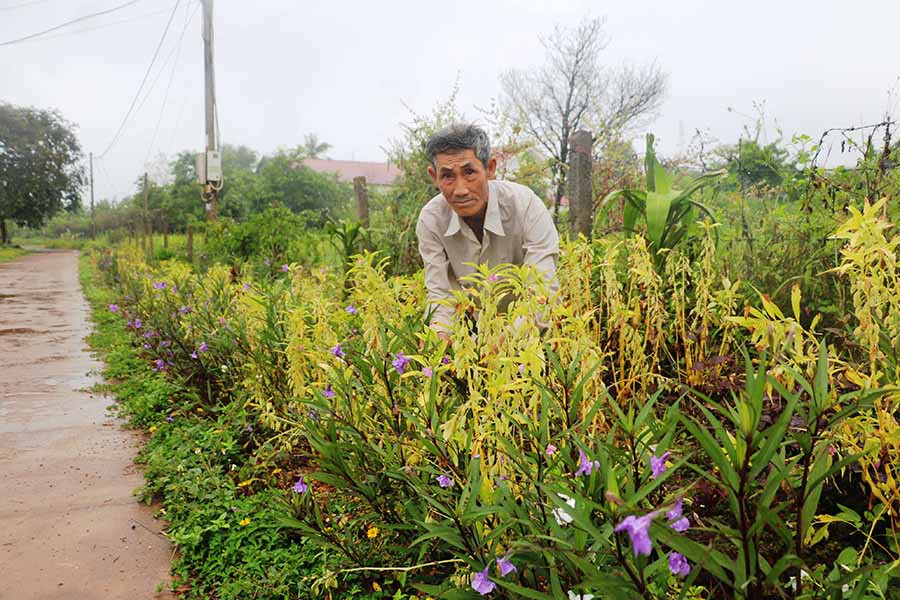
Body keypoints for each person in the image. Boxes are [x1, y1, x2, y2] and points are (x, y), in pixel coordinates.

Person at [415, 123, 559, 340]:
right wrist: (440, 335)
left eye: (469, 172)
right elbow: (440, 295)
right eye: (447, 176)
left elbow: (543, 292)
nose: (460, 190)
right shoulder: (431, 220)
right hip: (469, 329)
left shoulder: (525, 206)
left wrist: (501, 344)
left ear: (490, 168)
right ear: (434, 176)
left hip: (529, 334)